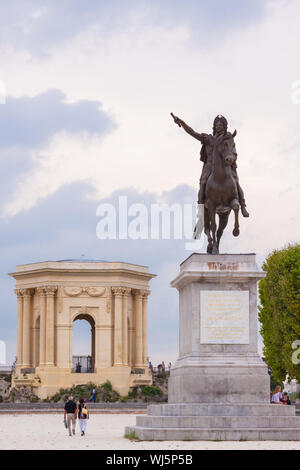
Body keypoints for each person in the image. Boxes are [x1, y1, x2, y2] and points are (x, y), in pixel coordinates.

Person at [171, 114, 249, 217]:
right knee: (203, 183)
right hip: (209, 166)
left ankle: (243, 206)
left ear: (224, 127)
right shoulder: (207, 138)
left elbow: (233, 151)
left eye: (221, 125)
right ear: (214, 127)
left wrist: (231, 159)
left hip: (225, 165)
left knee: (236, 181)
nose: (218, 127)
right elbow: (192, 132)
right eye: (216, 125)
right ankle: (201, 211)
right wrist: (182, 122)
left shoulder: (228, 137)